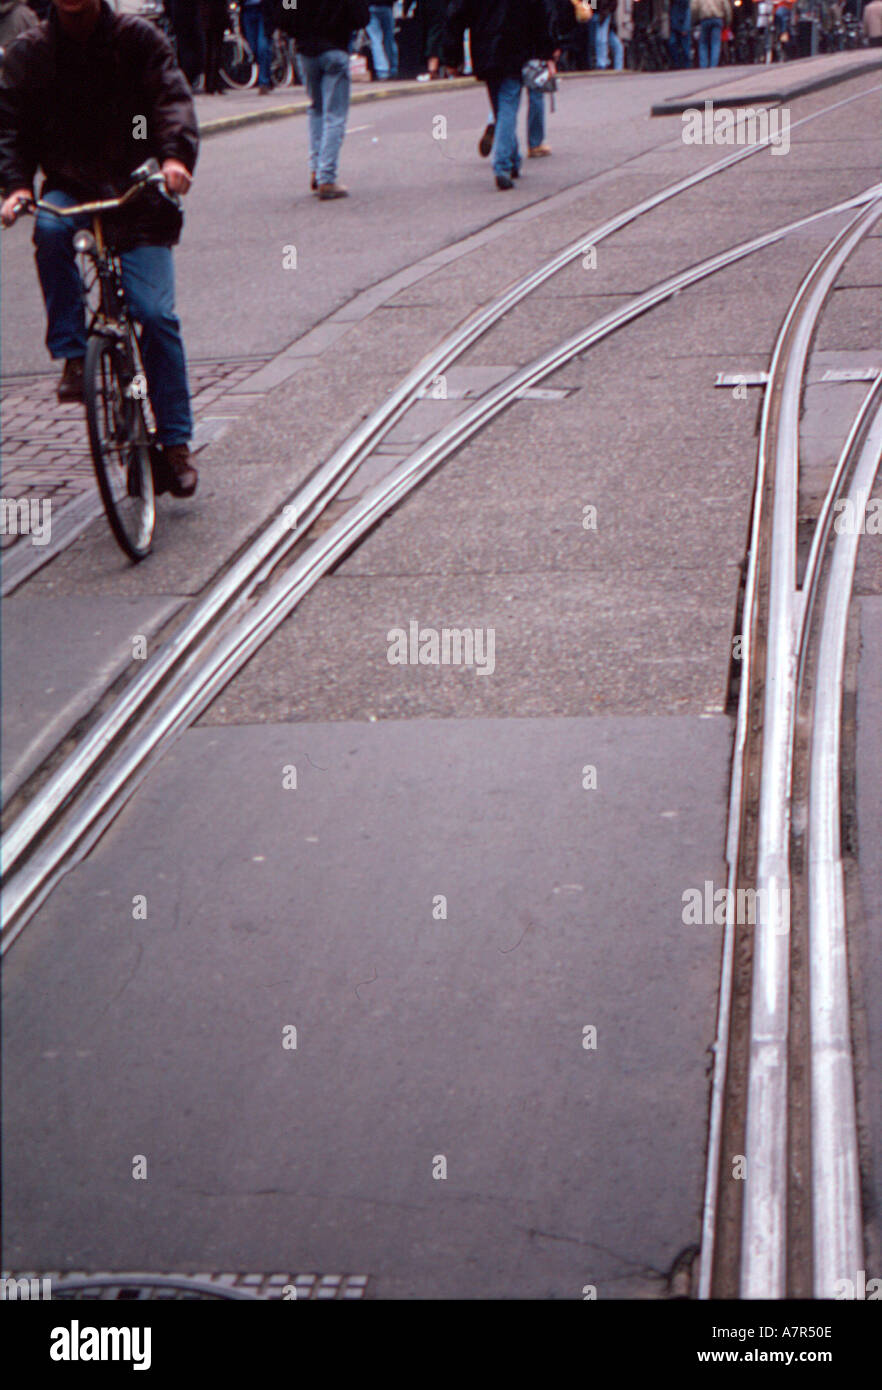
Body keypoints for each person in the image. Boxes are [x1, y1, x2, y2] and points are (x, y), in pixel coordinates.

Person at [0, 0, 200, 496]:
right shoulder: (31, 52)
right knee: (48, 227)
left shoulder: (137, 38)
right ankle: (72, 356)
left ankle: (175, 445)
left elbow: (170, 100)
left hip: (134, 189)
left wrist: (174, 157)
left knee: (154, 316)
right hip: (70, 182)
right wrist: (16, 187)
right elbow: (11, 129)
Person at [445, 0, 555, 191]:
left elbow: (456, 15)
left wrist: (452, 57)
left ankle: (511, 160)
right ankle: (503, 164)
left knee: (500, 107)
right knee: (507, 106)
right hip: (516, 48)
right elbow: (541, 14)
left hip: (484, 48)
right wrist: (547, 52)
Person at [279, 0, 370, 198]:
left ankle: (316, 168)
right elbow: (361, 16)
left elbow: (286, 8)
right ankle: (326, 176)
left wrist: (295, 27)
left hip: (306, 49)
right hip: (334, 45)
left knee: (316, 109)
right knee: (335, 115)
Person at [241, 0, 272, 92]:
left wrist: (288, 10)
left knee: (262, 47)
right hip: (247, 9)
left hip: (264, 10)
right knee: (253, 48)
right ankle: (267, 76)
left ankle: (263, 82)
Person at [693, 0, 730, 64]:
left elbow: (694, 8)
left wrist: (695, 20)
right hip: (717, 19)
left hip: (704, 20)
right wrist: (727, 22)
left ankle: (703, 65)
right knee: (715, 43)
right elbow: (727, 8)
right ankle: (714, 65)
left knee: (703, 44)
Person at [367, 1, 397, 78]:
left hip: (370, 7)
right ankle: (392, 67)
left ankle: (382, 69)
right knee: (389, 38)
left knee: (375, 39)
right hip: (386, 6)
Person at [593, 0, 623, 66]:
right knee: (617, 46)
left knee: (600, 39)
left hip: (602, 15)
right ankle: (618, 67)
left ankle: (602, 63)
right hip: (603, 14)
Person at [668, 0, 692, 66]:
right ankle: (677, 63)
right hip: (674, 26)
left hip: (681, 26)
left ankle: (687, 65)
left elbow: (688, 12)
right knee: (672, 44)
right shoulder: (672, 3)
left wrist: (685, 27)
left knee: (685, 48)